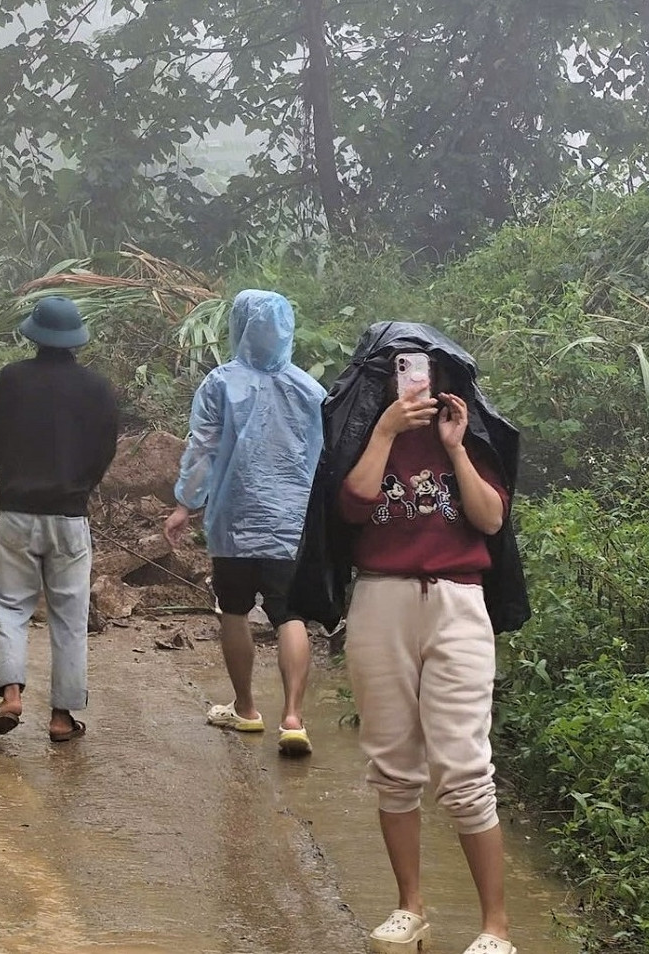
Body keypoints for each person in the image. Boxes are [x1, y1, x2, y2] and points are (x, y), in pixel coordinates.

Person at [291, 322, 529, 954]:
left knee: (464, 767)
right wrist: (389, 429)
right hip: (381, 598)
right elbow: (353, 506)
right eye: (400, 370)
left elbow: (489, 519)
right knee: (393, 766)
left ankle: (495, 928)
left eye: (427, 371)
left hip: (457, 603)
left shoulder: (468, 436)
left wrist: (453, 449)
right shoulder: (366, 434)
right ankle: (410, 908)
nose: (418, 382)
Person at [163, 289, 325, 756]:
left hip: (233, 520)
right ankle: (293, 718)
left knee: (232, 609)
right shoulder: (311, 391)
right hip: (292, 521)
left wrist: (184, 504)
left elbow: (203, 447)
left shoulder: (220, 383)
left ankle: (247, 708)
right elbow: (323, 459)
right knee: (288, 612)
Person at [0, 295, 119, 743]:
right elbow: (105, 448)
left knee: (11, 607)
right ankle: (61, 718)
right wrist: (82, 485)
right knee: (70, 617)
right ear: (76, 340)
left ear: (34, 335)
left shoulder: (10, 380)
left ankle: (11, 695)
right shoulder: (98, 389)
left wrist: (11, 476)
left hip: (17, 513)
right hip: (70, 516)